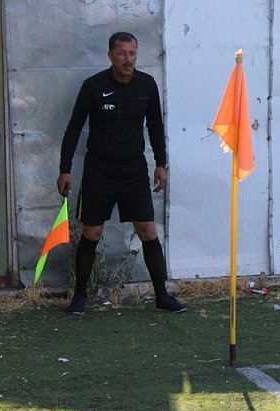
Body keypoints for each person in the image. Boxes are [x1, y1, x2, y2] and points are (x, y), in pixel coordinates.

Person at [57, 32, 186, 315]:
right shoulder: (93, 86)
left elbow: (155, 126)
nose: (128, 59)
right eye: (121, 53)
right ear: (110, 55)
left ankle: (162, 296)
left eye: (132, 53)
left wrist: (161, 164)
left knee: (148, 230)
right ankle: (79, 297)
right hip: (99, 171)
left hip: (133, 171)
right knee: (92, 232)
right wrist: (65, 169)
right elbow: (74, 128)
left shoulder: (147, 85)